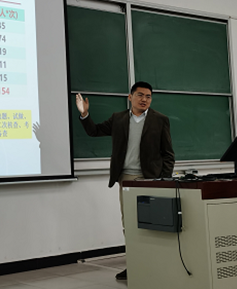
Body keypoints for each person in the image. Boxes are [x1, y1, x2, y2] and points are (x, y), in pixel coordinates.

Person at [75, 81, 175, 281]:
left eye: (148, 96)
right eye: (140, 95)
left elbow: (168, 154)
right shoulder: (118, 119)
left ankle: (154, 266)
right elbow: (94, 131)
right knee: (129, 225)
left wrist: (162, 179)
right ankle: (134, 266)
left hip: (150, 179)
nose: (144, 99)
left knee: (152, 224)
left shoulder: (160, 120)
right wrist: (84, 114)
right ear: (130, 97)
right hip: (127, 179)